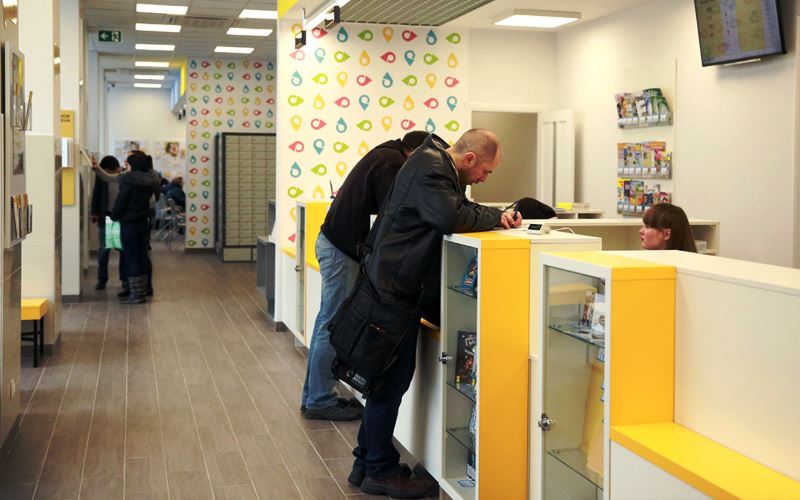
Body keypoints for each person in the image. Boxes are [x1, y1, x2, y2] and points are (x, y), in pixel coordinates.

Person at [352, 129, 520, 498]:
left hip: (393, 284)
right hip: (394, 289)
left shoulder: (435, 164)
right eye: (486, 171)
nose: (484, 179)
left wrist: (493, 216)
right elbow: (450, 216)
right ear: (470, 158)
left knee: (386, 380)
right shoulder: (432, 167)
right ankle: (378, 469)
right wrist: (496, 217)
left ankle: (366, 462)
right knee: (389, 382)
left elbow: (460, 209)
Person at [301, 130, 430, 422]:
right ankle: (319, 400)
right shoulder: (392, 163)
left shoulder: (383, 154)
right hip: (342, 249)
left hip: (334, 244)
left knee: (327, 322)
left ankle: (314, 396)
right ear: (415, 153)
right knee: (333, 324)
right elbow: (392, 214)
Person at [110, 151, 161, 304]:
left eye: (127, 163)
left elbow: (121, 201)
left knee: (131, 258)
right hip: (143, 222)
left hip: (129, 223)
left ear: (132, 165)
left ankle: (136, 295)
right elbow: (155, 199)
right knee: (141, 256)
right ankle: (142, 290)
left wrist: (114, 215)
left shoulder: (128, 181)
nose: (126, 166)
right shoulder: (150, 181)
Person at [90, 156, 124, 290]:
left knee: (122, 249)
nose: (107, 175)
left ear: (116, 169)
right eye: (104, 172)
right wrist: (94, 212)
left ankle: (125, 279)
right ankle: (102, 279)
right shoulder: (101, 177)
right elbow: (96, 194)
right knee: (104, 249)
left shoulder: (124, 176)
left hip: (122, 218)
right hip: (107, 216)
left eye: (109, 172)